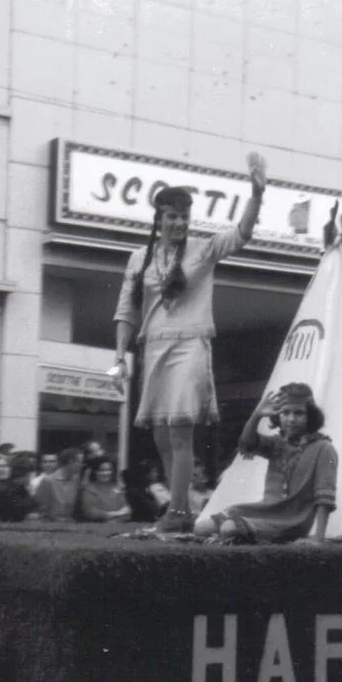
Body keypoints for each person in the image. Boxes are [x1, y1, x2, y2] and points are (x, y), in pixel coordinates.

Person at [111, 154, 267, 533]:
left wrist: (257, 194)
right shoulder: (138, 259)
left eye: (184, 216)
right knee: (162, 433)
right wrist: (119, 358)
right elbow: (126, 311)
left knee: (180, 428)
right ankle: (178, 510)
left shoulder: (204, 249)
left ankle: (178, 512)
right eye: (172, 217)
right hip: (154, 349)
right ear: (159, 219)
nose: (180, 223)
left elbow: (241, 234)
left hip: (190, 345)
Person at [196, 383, 338, 544]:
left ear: (311, 416)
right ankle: (241, 536)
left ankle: (243, 536)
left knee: (229, 528)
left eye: (299, 413)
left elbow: (324, 498)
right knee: (201, 529)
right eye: (285, 412)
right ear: (278, 415)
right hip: (264, 511)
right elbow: (247, 444)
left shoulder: (323, 448)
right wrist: (257, 415)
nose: (291, 419)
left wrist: (318, 538)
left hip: (292, 520)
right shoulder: (278, 443)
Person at [34, 447, 84, 521]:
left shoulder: (76, 480)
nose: (81, 465)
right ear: (70, 462)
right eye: (80, 462)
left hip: (70, 524)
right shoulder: (48, 481)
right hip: (51, 525)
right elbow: (41, 508)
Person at [78, 456, 131, 523]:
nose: (105, 473)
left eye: (108, 470)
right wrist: (117, 514)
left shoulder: (117, 488)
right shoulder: (88, 490)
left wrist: (114, 518)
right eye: (101, 470)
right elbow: (91, 513)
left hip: (118, 526)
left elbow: (127, 511)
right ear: (95, 472)